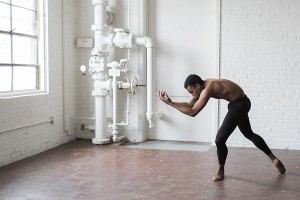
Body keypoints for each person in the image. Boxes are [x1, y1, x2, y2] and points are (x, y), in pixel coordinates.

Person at [158, 74, 286, 181]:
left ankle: (220, 171)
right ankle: (274, 160)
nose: (192, 94)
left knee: (219, 140)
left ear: (197, 86)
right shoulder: (203, 84)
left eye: (192, 92)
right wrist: (171, 101)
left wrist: (170, 104)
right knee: (249, 134)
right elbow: (189, 104)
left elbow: (193, 112)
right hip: (241, 102)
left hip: (239, 105)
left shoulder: (209, 88)